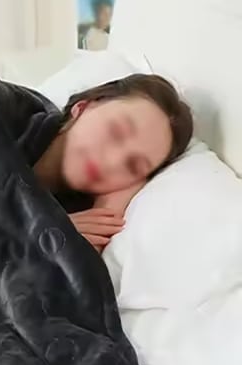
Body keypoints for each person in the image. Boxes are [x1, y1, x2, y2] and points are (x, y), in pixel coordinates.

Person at [33, 73, 193, 252]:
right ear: (83, 106)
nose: (113, 162)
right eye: (116, 132)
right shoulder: (10, 109)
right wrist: (41, 230)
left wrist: (108, 211)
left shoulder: (77, 220)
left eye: (133, 167)